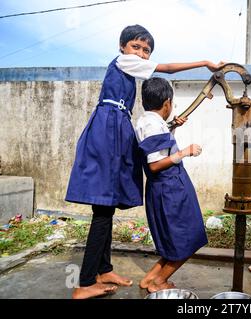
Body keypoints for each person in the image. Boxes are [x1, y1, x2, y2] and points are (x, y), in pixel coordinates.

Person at [65, 24, 223, 299]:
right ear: (122, 48)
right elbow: (169, 68)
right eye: (136, 47)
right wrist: (205, 63)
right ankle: (85, 282)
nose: (140, 53)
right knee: (103, 207)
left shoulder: (128, 84)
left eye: (146, 50)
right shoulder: (123, 62)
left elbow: (153, 139)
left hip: (116, 130)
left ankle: (103, 270)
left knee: (108, 206)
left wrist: (171, 124)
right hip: (108, 132)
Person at [135, 77, 207, 293]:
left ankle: (149, 279)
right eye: (172, 104)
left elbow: (158, 147)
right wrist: (185, 152)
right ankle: (158, 283)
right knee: (188, 239)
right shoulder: (153, 125)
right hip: (170, 189)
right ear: (167, 103)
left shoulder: (146, 121)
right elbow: (156, 164)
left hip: (164, 188)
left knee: (174, 240)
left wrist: (172, 127)